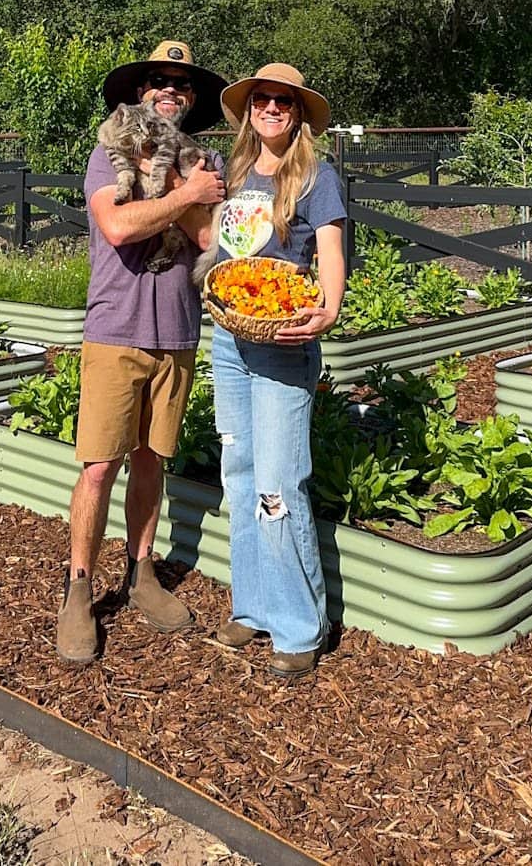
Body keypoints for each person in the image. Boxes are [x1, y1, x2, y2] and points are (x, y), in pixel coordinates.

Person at [56, 39, 226, 665]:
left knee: (152, 459)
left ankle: (140, 573)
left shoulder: (204, 161)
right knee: (100, 465)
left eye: (180, 85)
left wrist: (184, 189)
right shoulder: (110, 154)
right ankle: (78, 590)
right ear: (140, 92)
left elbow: (211, 237)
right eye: (159, 82)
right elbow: (119, 226)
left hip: (177, 330)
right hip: (116, 328)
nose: (170, 92)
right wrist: (185, 194)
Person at [207, 62, 346, 679]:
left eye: (283, 101)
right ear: (249, 109)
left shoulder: (317, 176)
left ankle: (297, 624)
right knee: (238, 471)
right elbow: (214, 245)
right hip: (229, 338)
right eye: (261, 99)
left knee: (279, 482)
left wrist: (330, 308)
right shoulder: (232, 172)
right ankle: (254, 603)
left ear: (297, 112)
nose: (271, 108)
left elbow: (331, 252)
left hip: (284, 338)